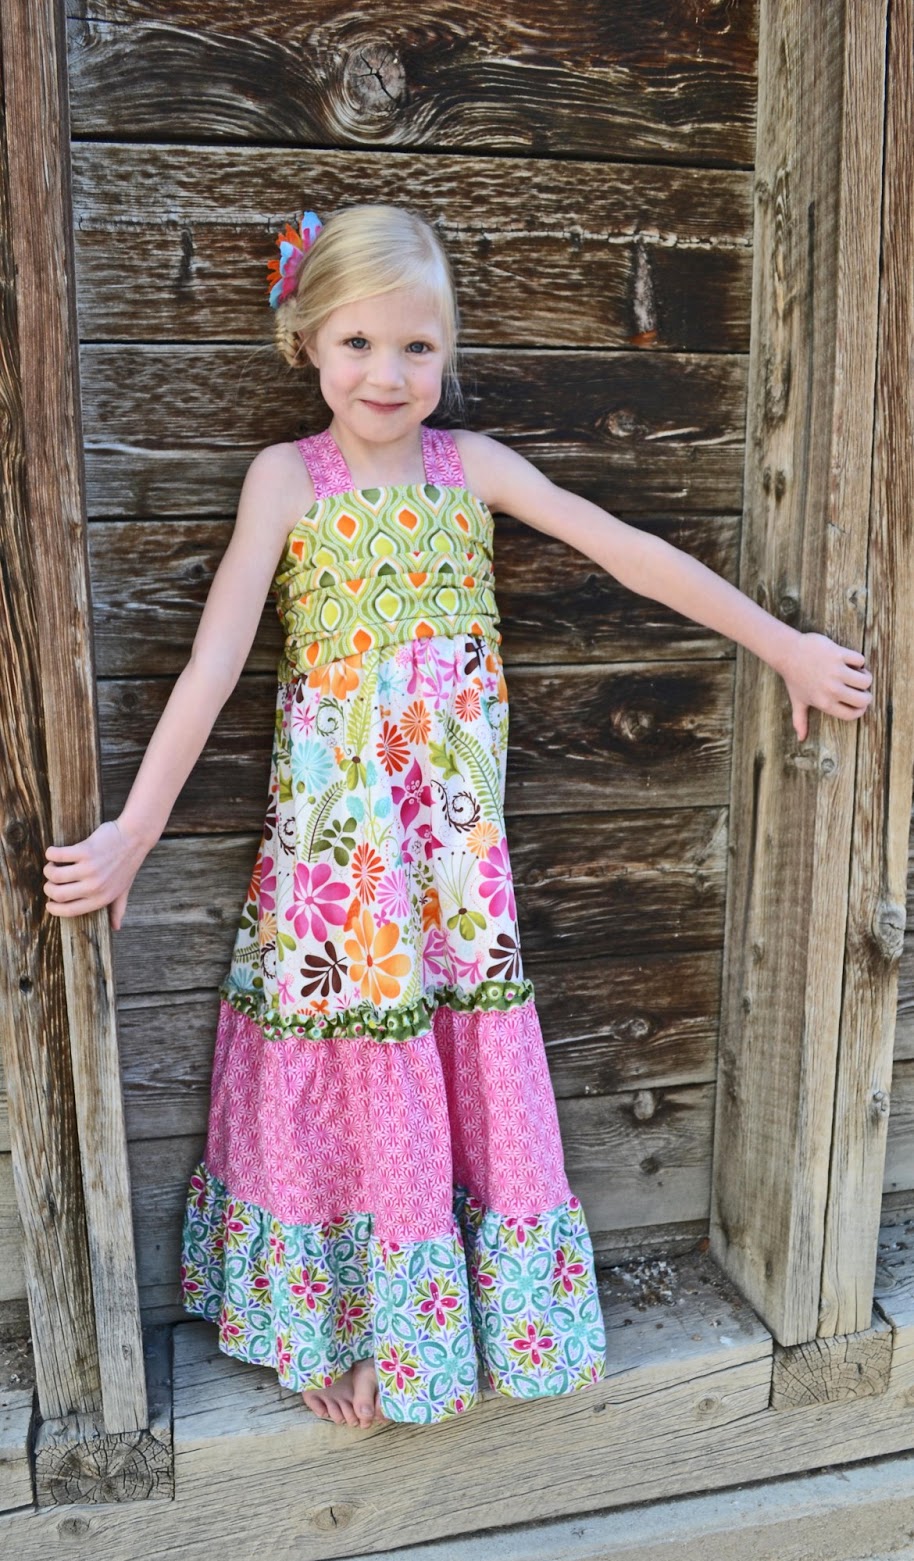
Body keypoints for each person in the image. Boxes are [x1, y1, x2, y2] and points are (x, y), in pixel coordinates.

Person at [43, 202, 873, 1433]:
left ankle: (433, 1328)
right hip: (340, 865)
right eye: (358, 343)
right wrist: (134, 833)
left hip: (454, 862)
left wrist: (782, 644)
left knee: (455, 1056)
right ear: (306, 342)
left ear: (447, 350)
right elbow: (212, 667)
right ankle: (342, 1323)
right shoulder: (288, 481)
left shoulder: (469, 469)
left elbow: (622, 547)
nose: (386, 374)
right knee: (344, 1061)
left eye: (416, 347)